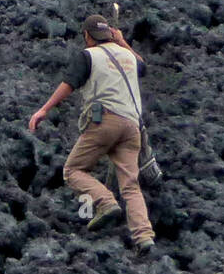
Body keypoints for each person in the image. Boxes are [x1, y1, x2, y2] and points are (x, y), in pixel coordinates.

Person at [28, 14, 155, 254]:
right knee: (130, 185)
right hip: (132, 127)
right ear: (110, 34)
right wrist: (123, 42)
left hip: (104, 122)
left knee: (73, 170)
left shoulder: (88, 56)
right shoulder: (128, 55)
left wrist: (43, 110)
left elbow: (69, 83)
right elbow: (143, 67)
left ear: (87, 36)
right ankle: (144, 236)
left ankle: (106, 203)